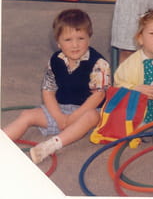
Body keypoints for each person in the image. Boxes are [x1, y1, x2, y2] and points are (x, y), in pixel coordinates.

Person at [2, 9, 110, 164]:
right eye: (68, 40)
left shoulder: (99, 63)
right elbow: (48, 91)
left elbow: (98, 96)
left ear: (89, 38)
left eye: (81, 38)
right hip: (61, 109)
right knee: (27, 115)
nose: (75, 45)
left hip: (87, 110)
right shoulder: (55, 60)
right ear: (58, 42)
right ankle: (3, 140)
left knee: (92, 116)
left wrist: (73, 118)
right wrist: (59, 117)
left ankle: (51, 145)